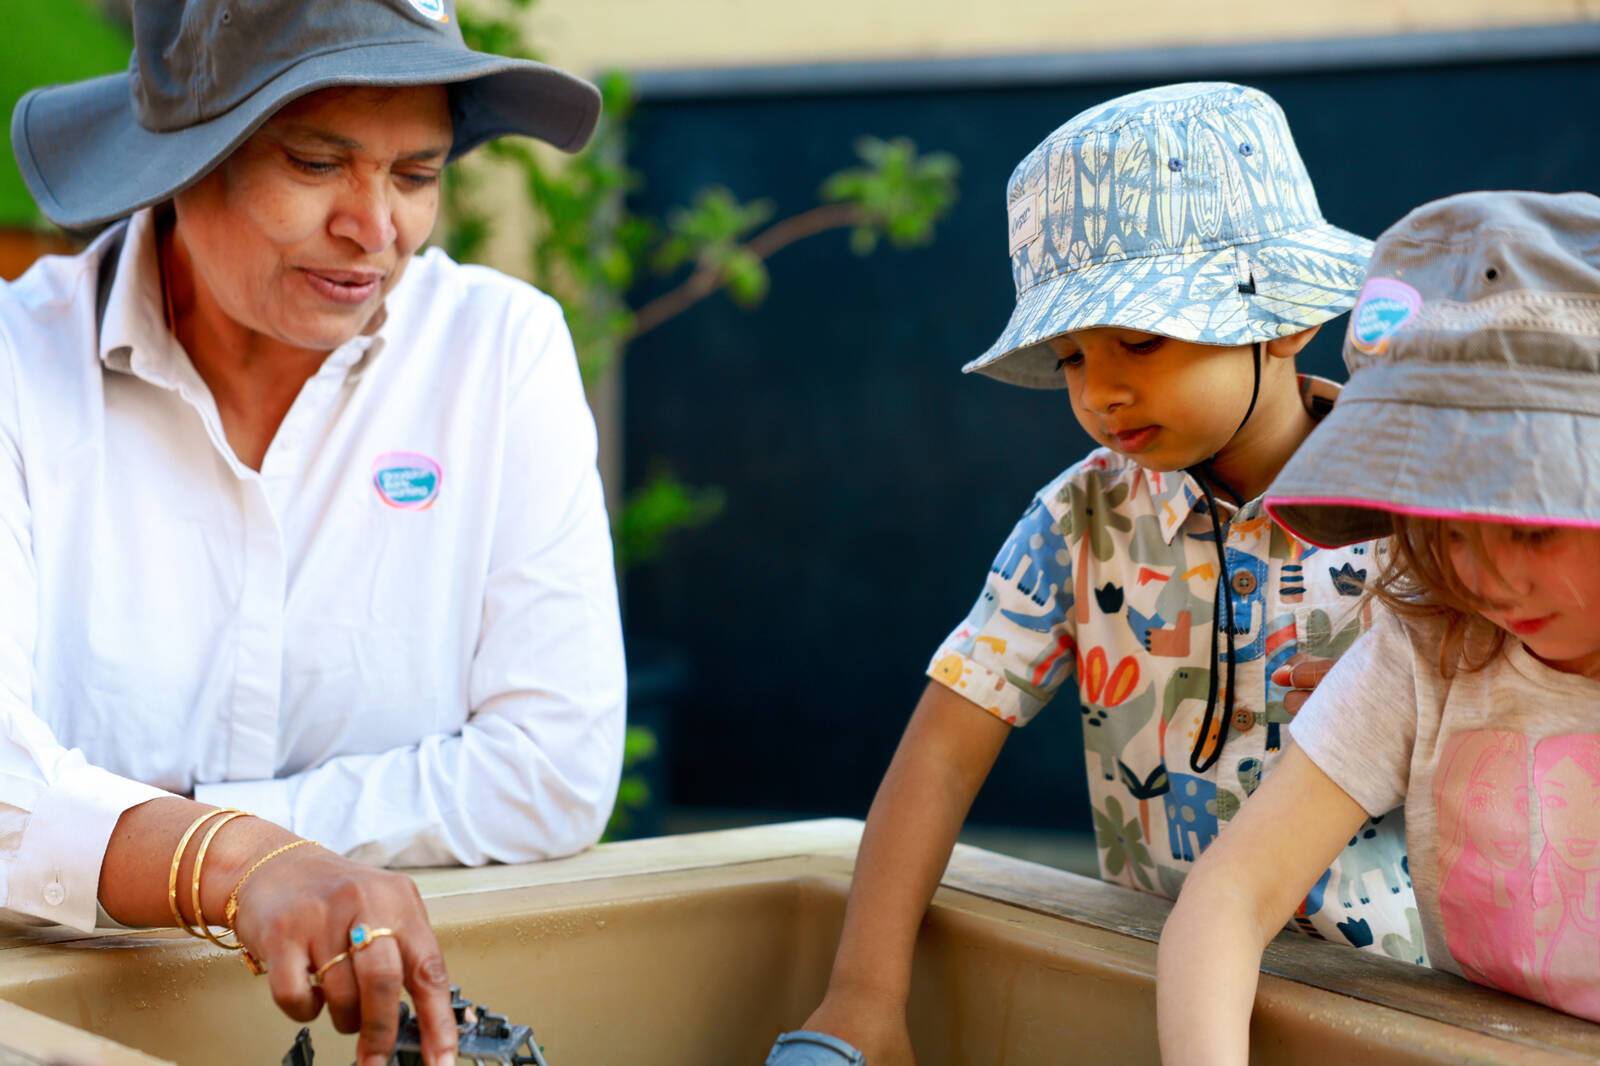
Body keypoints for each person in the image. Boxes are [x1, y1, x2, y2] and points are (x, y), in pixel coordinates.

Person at [1, 2, 625, 1062]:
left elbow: (552, 765)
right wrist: (240, 862)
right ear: (180, 156)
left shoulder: (500, 350)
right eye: (315, 161)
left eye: (417, 175)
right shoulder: (19, 368)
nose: (375, 227)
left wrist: (202, 828)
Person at [773, 83, 1418, 1065]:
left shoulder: (1417, 518)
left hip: (1401, 1004)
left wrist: (1425, 724)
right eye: (1072, 355)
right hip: (1163, 992)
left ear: (1284, 324)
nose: (1100, 389)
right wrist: (864, 993)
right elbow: (943, 751)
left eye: (1142, 338)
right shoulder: (1081, 518)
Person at [1157, 189, 1600, 1062]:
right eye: (1447, 532)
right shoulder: (1432, 643)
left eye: (1531, 524)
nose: (1489, 577)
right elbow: (1234, 892)